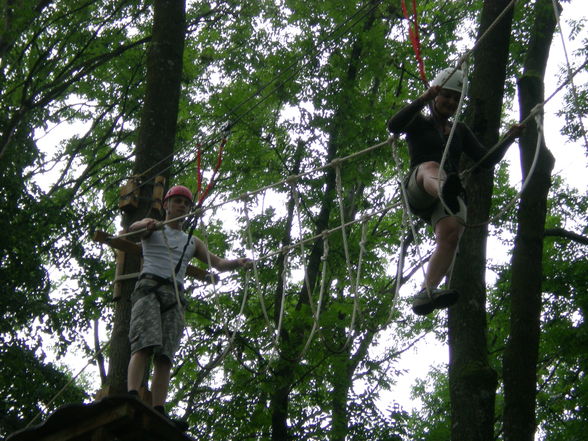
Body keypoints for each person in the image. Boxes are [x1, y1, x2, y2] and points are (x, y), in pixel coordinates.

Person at [387, 67, 523, 316]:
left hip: (446, 195)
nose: (450, 101)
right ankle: (444, 191)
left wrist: (509, 139)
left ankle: (426, 292)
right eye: (446, 96)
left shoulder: (459, 131)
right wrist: (423, 99)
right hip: (421, 185)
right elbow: (394, 126)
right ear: (436, 96)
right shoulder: (419, 122)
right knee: (432, 167)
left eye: (455, 98)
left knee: (451, 235)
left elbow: (485, 160)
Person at [126, 184, 251, 429]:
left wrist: (238, 262)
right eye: (178, 201)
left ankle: (159, 407)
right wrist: (148, 225)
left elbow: (218, 263)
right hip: (149, 289)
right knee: (144, 343)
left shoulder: (192, 242)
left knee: (165, 354)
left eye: (186, 203)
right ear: (166, 206)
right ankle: (132, 393)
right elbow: (132, 230)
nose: (182, 206)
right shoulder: (153, 227)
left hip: (174, 296)